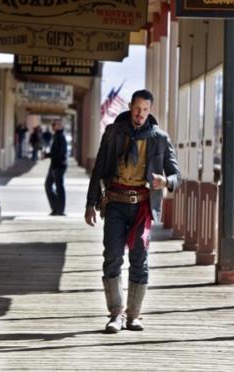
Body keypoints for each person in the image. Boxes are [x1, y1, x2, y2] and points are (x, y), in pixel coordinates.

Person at [84, 89, 181, 333]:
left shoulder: (159, 138)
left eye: (145, 110)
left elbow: (177, 175)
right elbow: (98, 170)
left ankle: (134, 315)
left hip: (142, 206)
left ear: (150, 110)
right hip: (115, 202)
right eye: (137, 109)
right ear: (130, 106)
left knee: (139, 259)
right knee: (113, 256)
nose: (140, 114)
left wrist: (166, 181)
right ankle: (115, 313)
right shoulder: (113, 133)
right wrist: (90, 204)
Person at [45, 119, 68, 216]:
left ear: (60, 126)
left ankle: (60, 210)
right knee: (48, 185)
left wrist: (48, 155)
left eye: (54, 125)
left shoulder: (61, 137)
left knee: (59, 188)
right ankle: (55, 207)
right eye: (52, 124)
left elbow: (60, 152)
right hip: (54, 165)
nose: (52, 126)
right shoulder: (55, 136)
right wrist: (48, 155)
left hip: (59, 165)